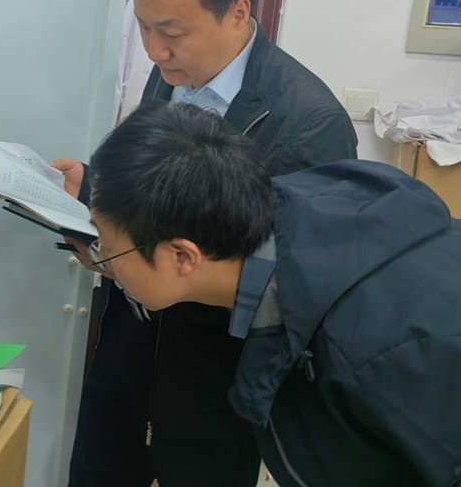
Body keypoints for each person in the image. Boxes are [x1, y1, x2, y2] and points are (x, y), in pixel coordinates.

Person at [55, 0, 358, 486]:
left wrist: (138, 264)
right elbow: (167, 191)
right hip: (128, 347)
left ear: (238, 12)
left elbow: (299, 286)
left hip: (214, 382)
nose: (154, 51)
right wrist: (94, 188)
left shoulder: (308, 122)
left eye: (171, 34)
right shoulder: (172, 75)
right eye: (143, 28)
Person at [86, 101, 461, 487]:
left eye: (108, 248)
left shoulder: (368, 351)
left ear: (182, 256)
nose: (102, 259)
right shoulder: (286, 214)